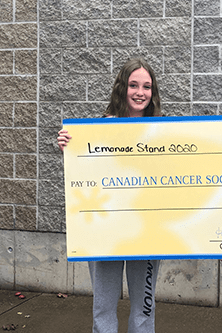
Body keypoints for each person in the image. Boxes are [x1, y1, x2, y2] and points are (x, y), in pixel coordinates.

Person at [57, 58, 162, 333]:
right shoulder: (97, 129)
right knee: (103, 308)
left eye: (147, 86)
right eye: (133, 85)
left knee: (144, 309)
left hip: (146, 231)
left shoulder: (164, 131)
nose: (140, 92)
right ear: (122, 87)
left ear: (153, 92)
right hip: (105, 229)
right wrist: (70, 148)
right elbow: (84, 174)